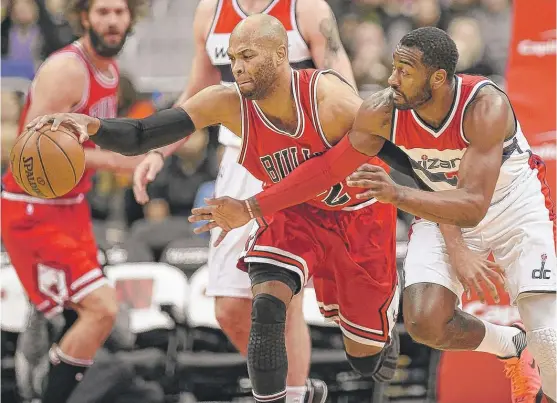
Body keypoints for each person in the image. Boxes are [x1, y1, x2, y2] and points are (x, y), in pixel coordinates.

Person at [28, 14, 405, 403]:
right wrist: (92, 127)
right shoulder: (227, 101)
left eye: (248, 56)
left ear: (281, 55)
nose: (237, 66)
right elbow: (145, 133)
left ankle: (381, 321)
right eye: (233, 57)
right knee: (267, 300)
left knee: (366, 361)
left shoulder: (330, 99)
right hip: (296, 211)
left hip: (359, 216)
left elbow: (374, 160)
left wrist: (444, 208)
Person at [190, 27, 555, 403]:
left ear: (438, 78)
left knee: (550, 344)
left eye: (405, 70)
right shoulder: (381, 111)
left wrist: (402, 198)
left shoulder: (484, 106)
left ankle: (538, 355)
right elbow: (325, 172)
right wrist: (254, 206)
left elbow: (472, 204)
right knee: (425, 323)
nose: (391, 78)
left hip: (511, 204)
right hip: (435, 206)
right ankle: (512, 343)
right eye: (393, 66)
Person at [131, 1, 355, 400]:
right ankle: (296, 391)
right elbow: (197, 94)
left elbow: (342, 89)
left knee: (280, 293)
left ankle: (293, 393)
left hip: (297, 157)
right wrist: (158, 151)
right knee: (228, 309)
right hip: (239, 158)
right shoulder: (210, 12)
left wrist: (337, 163)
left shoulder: (305, 8)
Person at [1, 1, 146, 402]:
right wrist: (121, 162)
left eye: (120, 12)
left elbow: (95, 140)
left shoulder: (111, 71)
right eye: (103, 12)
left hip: (71, 207)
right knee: (101, 309)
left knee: (80, 320)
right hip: (34, 210)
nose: (113, 21)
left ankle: (42, 367)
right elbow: (36, 151)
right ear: (84, 16)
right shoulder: (67, 70)